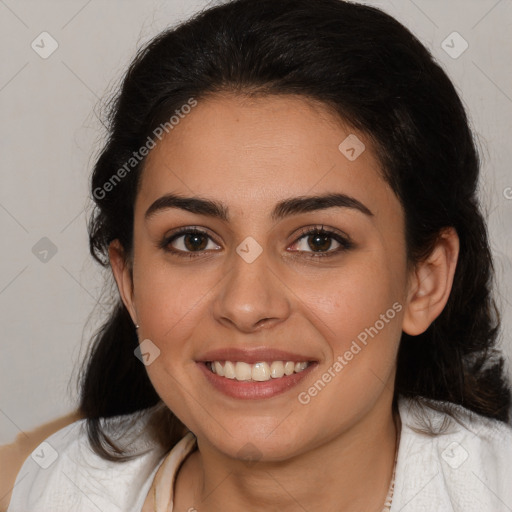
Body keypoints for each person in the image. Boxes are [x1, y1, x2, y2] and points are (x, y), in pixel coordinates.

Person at [5, 0, 512, 510]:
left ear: (424, 280)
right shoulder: (53, 488)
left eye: (318, 241)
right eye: (193, 240)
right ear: (130, 280)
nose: (246, 306)